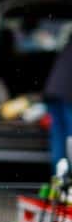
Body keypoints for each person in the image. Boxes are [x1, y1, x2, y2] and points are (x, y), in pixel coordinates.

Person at [45, 38, 72, 169]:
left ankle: (59, 179)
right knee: (69, 137)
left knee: (59, 137)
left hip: (55, 90)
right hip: (67, 93)